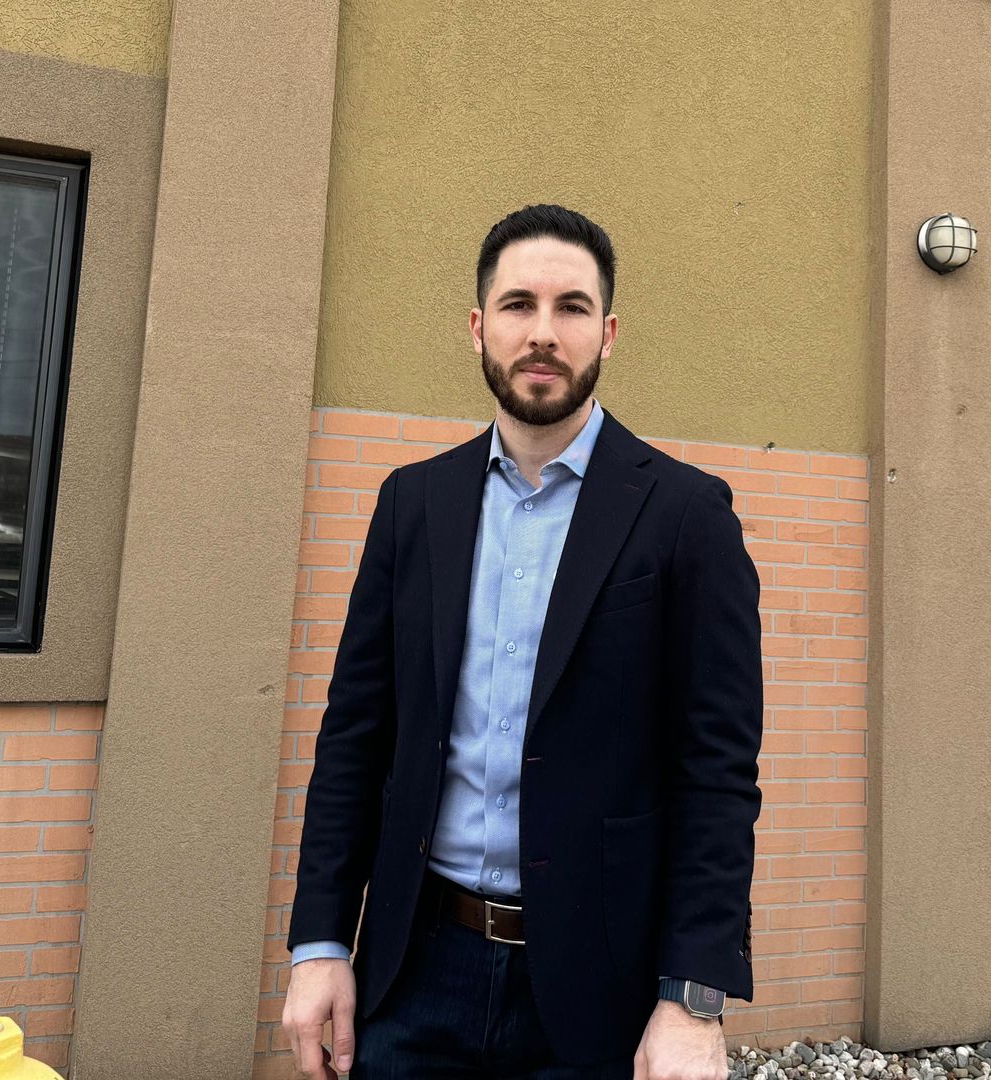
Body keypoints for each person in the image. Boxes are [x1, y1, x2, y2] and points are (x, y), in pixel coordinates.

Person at [283, 204, 763, 1079]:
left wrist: (692, 997)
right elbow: (355, 737)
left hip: (597, 990)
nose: (543, 332)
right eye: (518, 305)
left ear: (607, 333)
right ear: (479, 327)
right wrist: (320, 943)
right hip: (413, 973)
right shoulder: (412, 505)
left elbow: (716, 775)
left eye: (572, 307)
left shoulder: (688, 517)